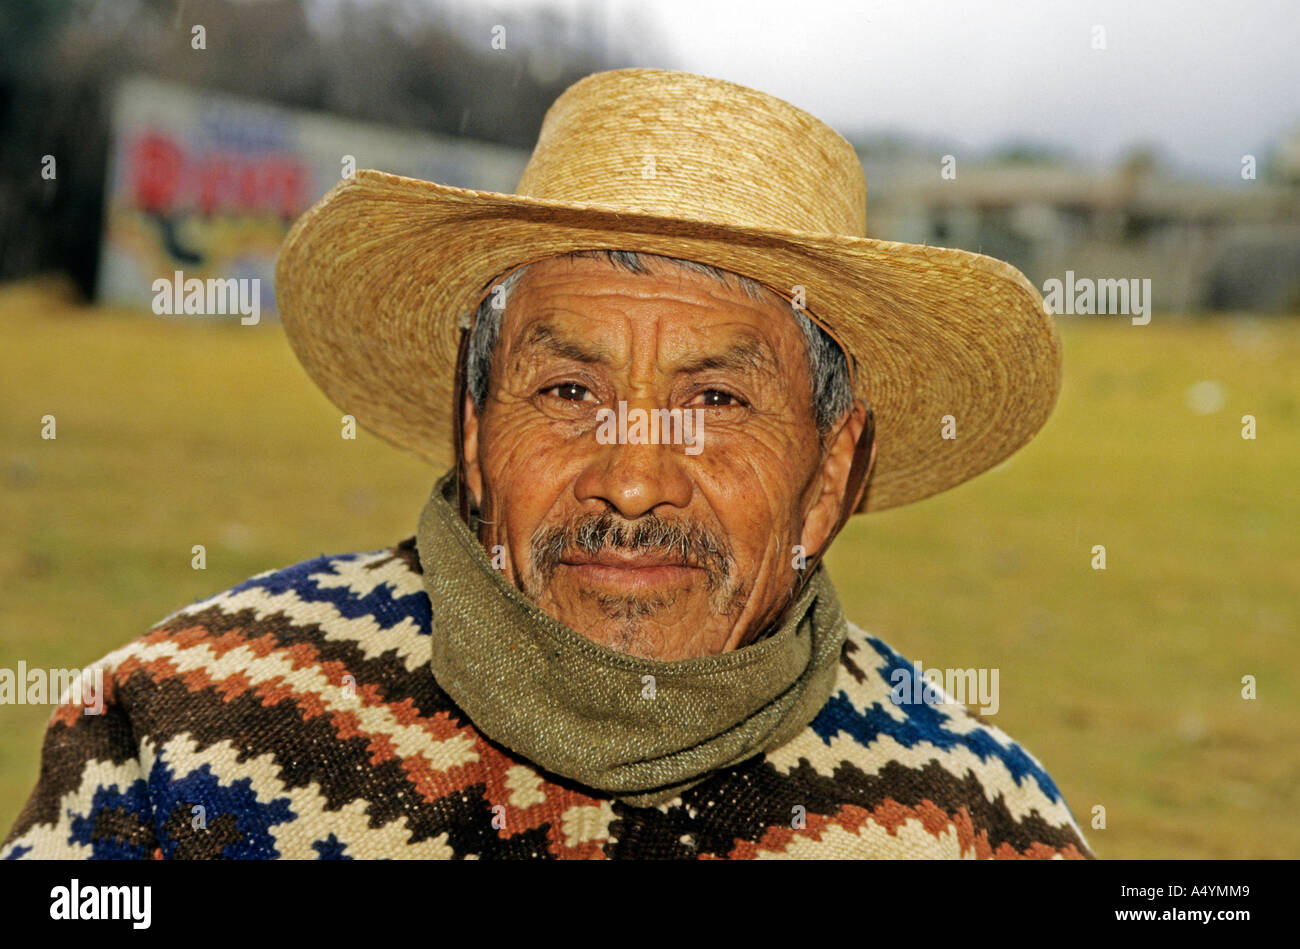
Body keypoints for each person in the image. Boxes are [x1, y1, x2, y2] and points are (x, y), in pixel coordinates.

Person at [3, 68, 1092, 859]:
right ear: (471, 430)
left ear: (832, 469)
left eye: (715, 402)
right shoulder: (170, 735)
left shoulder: (974, 820)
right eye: (568, 392)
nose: (630, 480)